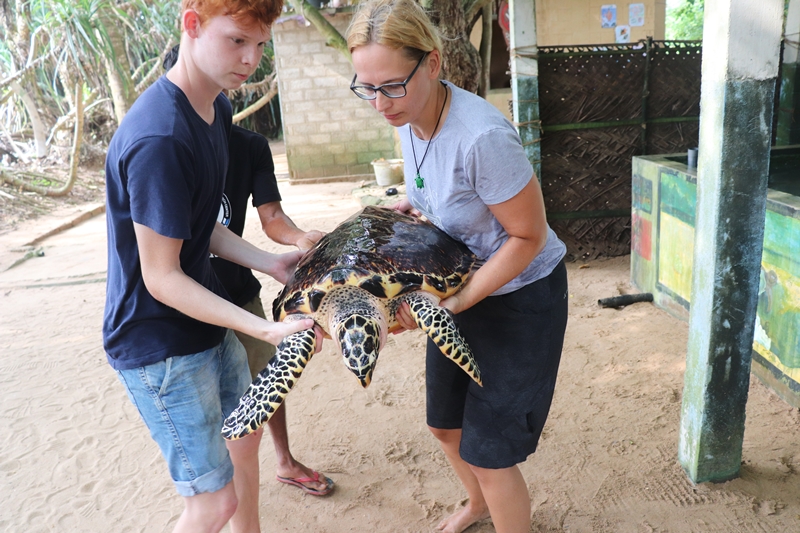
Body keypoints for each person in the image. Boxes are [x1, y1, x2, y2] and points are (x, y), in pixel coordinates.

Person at [346, 1, 569, 532]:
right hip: (461, 283)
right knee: (445, 426)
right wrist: (416, 207)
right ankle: (479, 505)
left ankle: (501, 508)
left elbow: (528, 235)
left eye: (392, 86)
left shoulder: (482, 137)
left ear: (434, 63)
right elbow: (445, 191)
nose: (380, 104)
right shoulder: (407, 114)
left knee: (491, 451)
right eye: (366, 87)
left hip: (519, 294)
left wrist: (457, 302)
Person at [104, 2, 321, 532]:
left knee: (244, 441)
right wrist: (265, 328)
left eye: (261, 46)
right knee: (210, 504)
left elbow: (202, 229)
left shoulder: (215, 108)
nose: (250, 60)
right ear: (192, 23)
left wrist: (271, 262)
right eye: (237, 41)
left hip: (206, 326)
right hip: (161, 346)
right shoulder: (160, 138)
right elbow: (162, 276)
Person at [163, 45, 334, 497]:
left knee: (263, 384)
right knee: (206, 410)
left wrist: (295, 242)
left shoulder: (244, 146)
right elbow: (162, 260)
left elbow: (263, 219)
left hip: (235, 288)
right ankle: (221, 491)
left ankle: (280, 462)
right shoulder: (169, 144)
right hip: (185, 303)